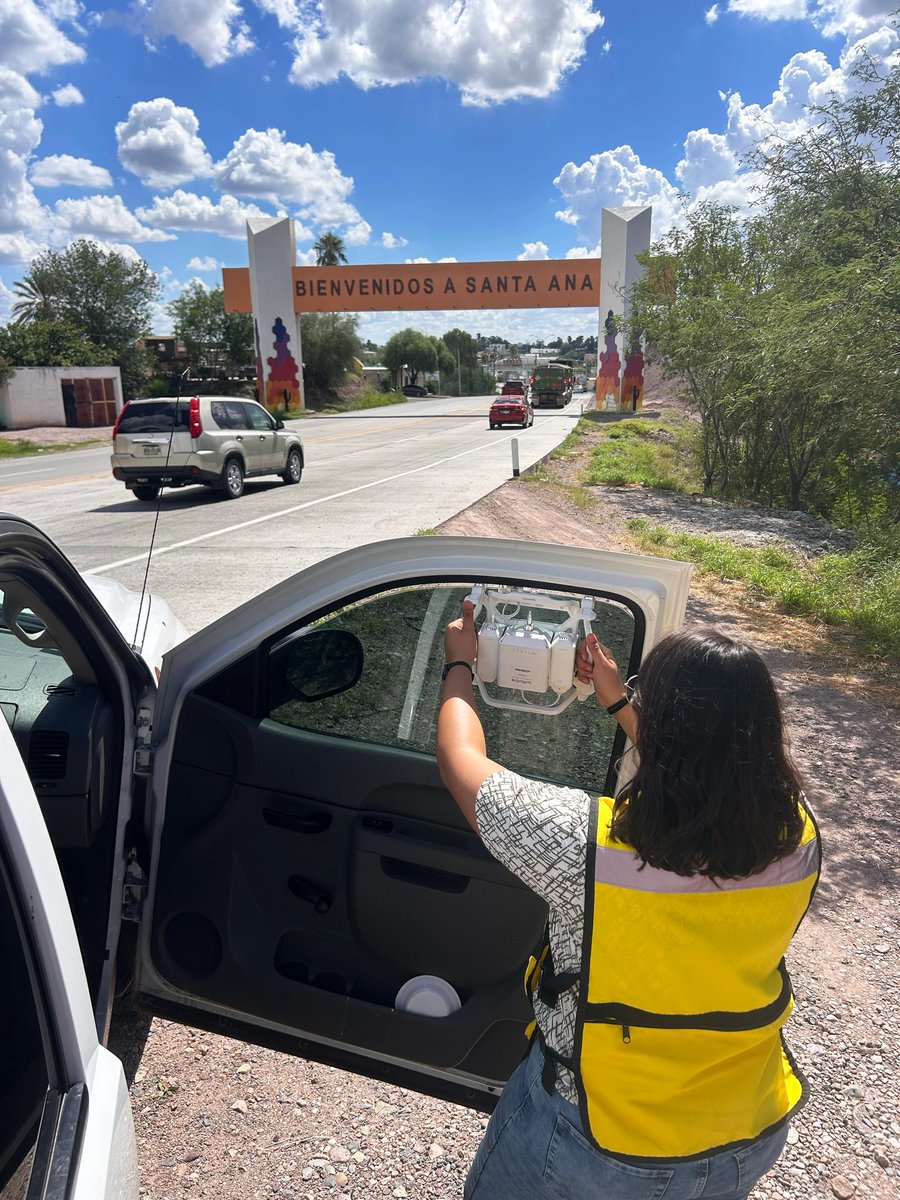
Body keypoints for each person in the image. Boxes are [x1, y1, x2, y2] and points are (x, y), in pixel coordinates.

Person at [436, 603, 820, 1200]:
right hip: (745, 1128)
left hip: (595, 1141)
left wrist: (459, 663)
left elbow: (460, 760)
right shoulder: (798, 835)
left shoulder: (584, 846)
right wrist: (618, 700)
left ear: (663, 728)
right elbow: (709, 766)